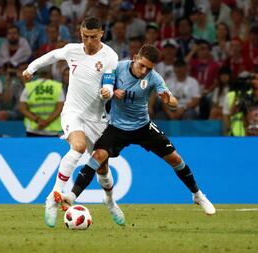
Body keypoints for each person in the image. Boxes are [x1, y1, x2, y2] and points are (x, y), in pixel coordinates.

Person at [56, 45, 216, 221]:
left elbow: (174, 102)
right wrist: (111, 92)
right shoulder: (117, 68)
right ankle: (71, 197)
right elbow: (102, 87)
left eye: (149, 68)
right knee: (97, 156)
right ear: (135, 58)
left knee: (176, 159)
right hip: (117, 127)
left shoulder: (154, 78)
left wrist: (169, 100)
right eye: (142, 66)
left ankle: (197, 195)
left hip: (143, 126)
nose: (144, 71)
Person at [22, 16, 121, 227]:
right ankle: (53, 196)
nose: (89, 42)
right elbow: (51, 56)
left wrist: (107, 92)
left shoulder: (110, 56)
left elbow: (110, 82)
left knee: (102, 168)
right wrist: (31, 69)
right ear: (81, 33)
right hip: (73, 112)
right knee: (78, 147)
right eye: (85, 37)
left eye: (94, 37)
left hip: (98, 118)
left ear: (101, 34)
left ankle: (110, 201)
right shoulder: (72, 50)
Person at [20, 66, 64, 137]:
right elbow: (60, 108)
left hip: (33, 128)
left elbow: (23, 109)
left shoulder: (29, 87)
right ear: (50, 73)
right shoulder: (57, 87)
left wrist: (38, 121)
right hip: (52, 129)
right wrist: (46, 122)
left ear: (38, 74)